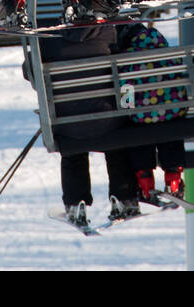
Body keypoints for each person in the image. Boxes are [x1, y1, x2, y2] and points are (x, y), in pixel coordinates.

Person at [34, 21, 136, 228]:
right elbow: (124, 66)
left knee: (72, 147)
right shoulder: (108, 33)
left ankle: (75, 203)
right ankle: (124, 197)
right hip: (109, 120)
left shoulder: (48, 40)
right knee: (116, 144)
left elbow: (31, 72)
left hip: (68, 124)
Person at [119, 23, 188, 205]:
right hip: (171, 114)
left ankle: (145, 182)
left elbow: (126, 99)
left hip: (141, 118)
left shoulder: (127, 60)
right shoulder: (168, 54)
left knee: (139, 137)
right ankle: (173, 179)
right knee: (171, 134)